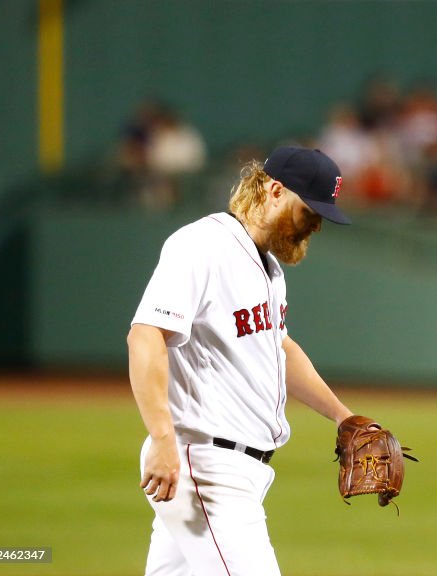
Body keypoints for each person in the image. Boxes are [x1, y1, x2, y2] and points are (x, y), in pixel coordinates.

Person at [127, 146, 354, 575]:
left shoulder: (269, 268)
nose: (316, 226)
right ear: (274, 190)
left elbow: (278, 349)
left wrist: (343, 417)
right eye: (310, 211)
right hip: (205, 468)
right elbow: (145, 336)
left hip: (232, 473)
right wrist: (161, 438)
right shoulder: (204, 246)